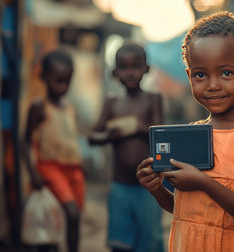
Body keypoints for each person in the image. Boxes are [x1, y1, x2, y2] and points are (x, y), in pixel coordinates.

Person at [136, 11, 234, 252]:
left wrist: (204, 182)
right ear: (189, 76)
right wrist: (156, 189)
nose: (213, 85)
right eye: (200, 75)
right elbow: (185, 208)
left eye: (226, 73)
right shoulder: (190, 135)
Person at [88, 41, 164, 252]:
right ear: (114, 72)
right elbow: (93, 137)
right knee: (120, 242)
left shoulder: (152, 99)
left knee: (149, 240)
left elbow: (161, 136)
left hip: (149, 185)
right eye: (124, 67)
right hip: (119, 184)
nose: (130, 72)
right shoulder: (112, 102)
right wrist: (108, 136)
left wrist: (140, 128)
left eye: (136, 66)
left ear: (146, 69)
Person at [23, 49, 84, 252]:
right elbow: (24, 142)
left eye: (67, 81)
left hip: (73, 170)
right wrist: (32, 172)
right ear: (44, 77)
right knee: (71, 213)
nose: (63, 86)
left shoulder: (68, 108)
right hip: (50, 167)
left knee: (74, 217)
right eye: (58, 81)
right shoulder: (39, 108)